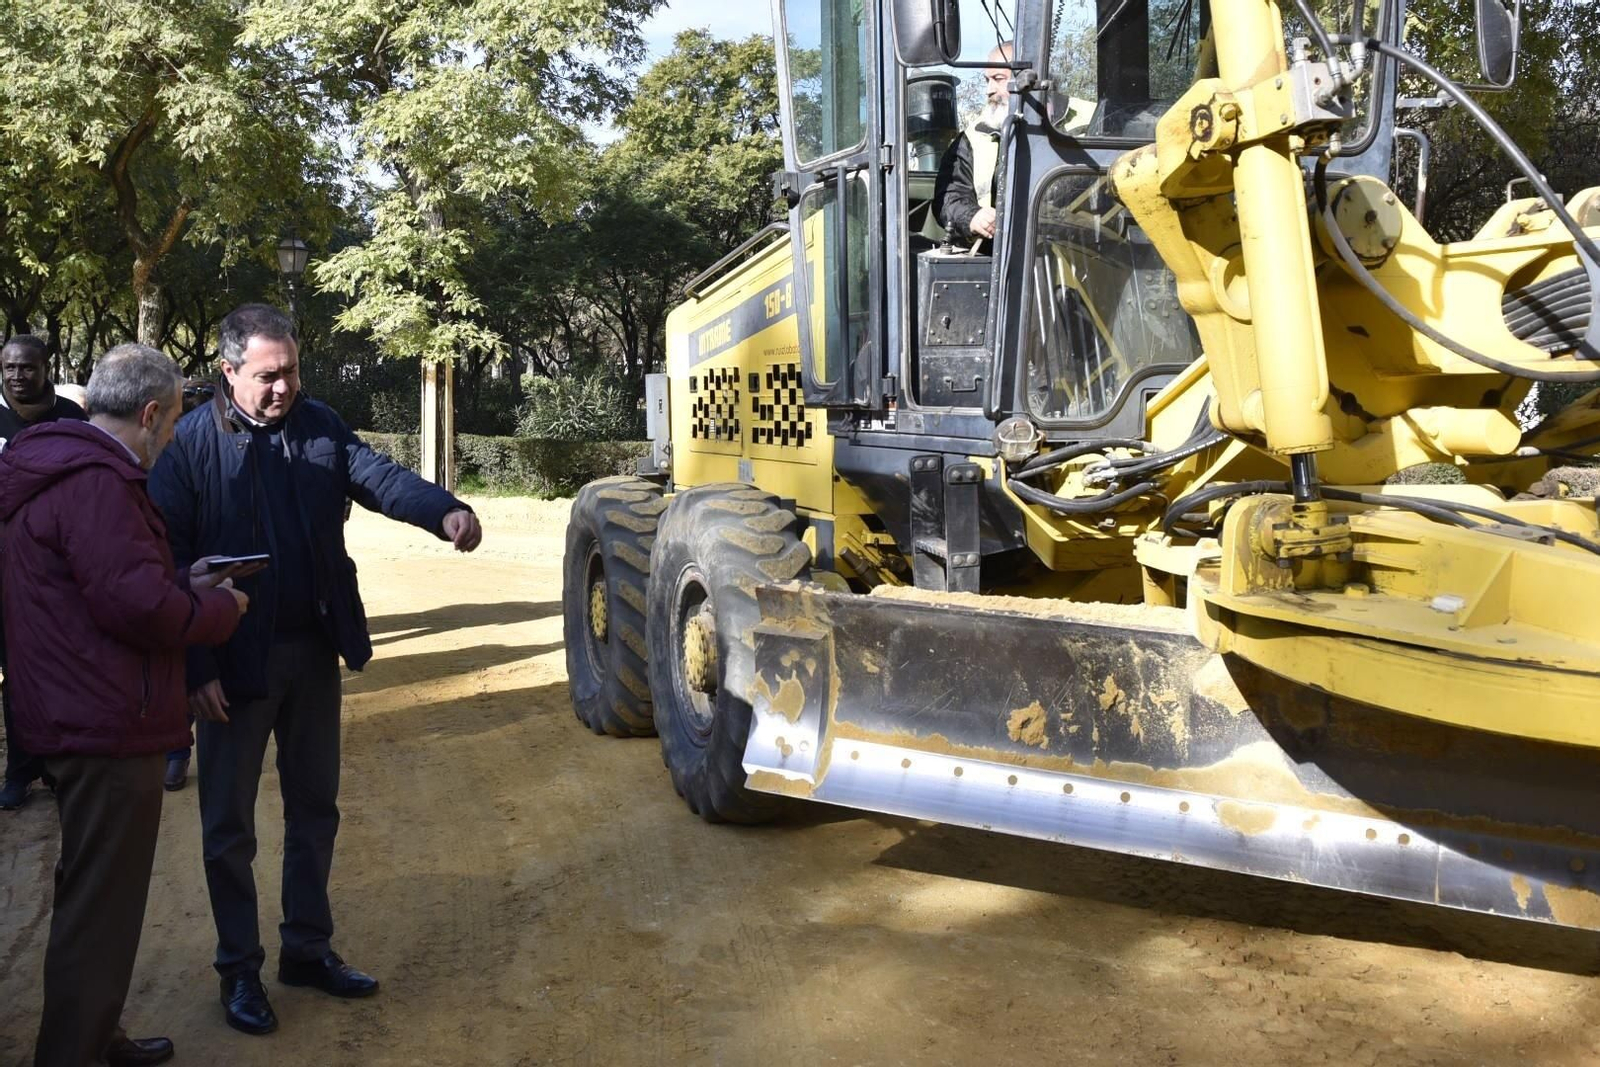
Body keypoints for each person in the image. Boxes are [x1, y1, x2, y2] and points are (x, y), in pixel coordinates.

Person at [149, 303, 484, 1036]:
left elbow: (381, 476)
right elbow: (166, 562)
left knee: (315, 812)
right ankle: (238, 967)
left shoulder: (320, 426)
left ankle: (306, 948)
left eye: (292, 371)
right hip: (232, 666)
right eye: (268, 375)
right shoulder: (188, 447)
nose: (283, 387)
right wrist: (195, 662)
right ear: (228, 372)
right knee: (228, 827)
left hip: (311, 653)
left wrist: (445, 511)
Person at [0, 343, 250, 1067]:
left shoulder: (57, 464)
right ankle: (74, 1049)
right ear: (148, 413)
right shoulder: (101, 482)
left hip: (70, 710)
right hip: (105, 720)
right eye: (171, 422)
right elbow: (135, 605)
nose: (171, 437)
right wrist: (216, 607)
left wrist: (181, 576)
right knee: (100, 910)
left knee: (90, 899)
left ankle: (92, 1030)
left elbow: (107, 583)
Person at [0, 334, 89, 812]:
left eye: (26, 368)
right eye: (9, 367)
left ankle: (60, 767)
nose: (17, 376)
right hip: (4, 573)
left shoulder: (72, 422)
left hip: (58, 574)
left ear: (45, 367)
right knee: (13, 676)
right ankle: (21, 768)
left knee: (56, 670)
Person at [933, 42, 1015, 251]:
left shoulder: (1084, 125)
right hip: (999, 256)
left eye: (998, 79)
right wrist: (973, 216)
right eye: (987, 81)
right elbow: (949, 197)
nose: (989, 90)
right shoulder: (971, 140)